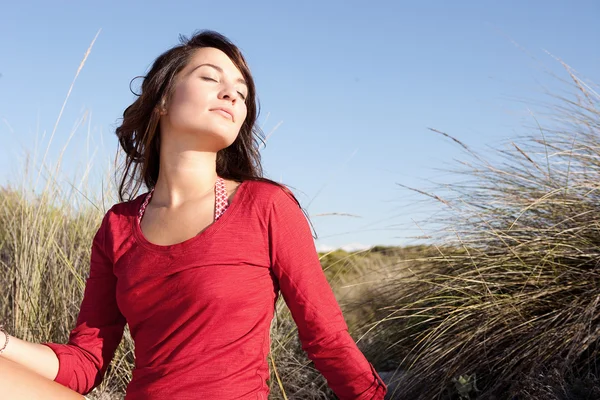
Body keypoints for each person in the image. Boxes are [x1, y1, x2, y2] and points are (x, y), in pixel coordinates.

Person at [0, 30, 387, 400]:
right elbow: (84, 364)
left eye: (242, 92)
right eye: (210, 78)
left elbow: (326, 339)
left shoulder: (265, 206)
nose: (231, 96)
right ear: (163, 99)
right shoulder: (118, 225)